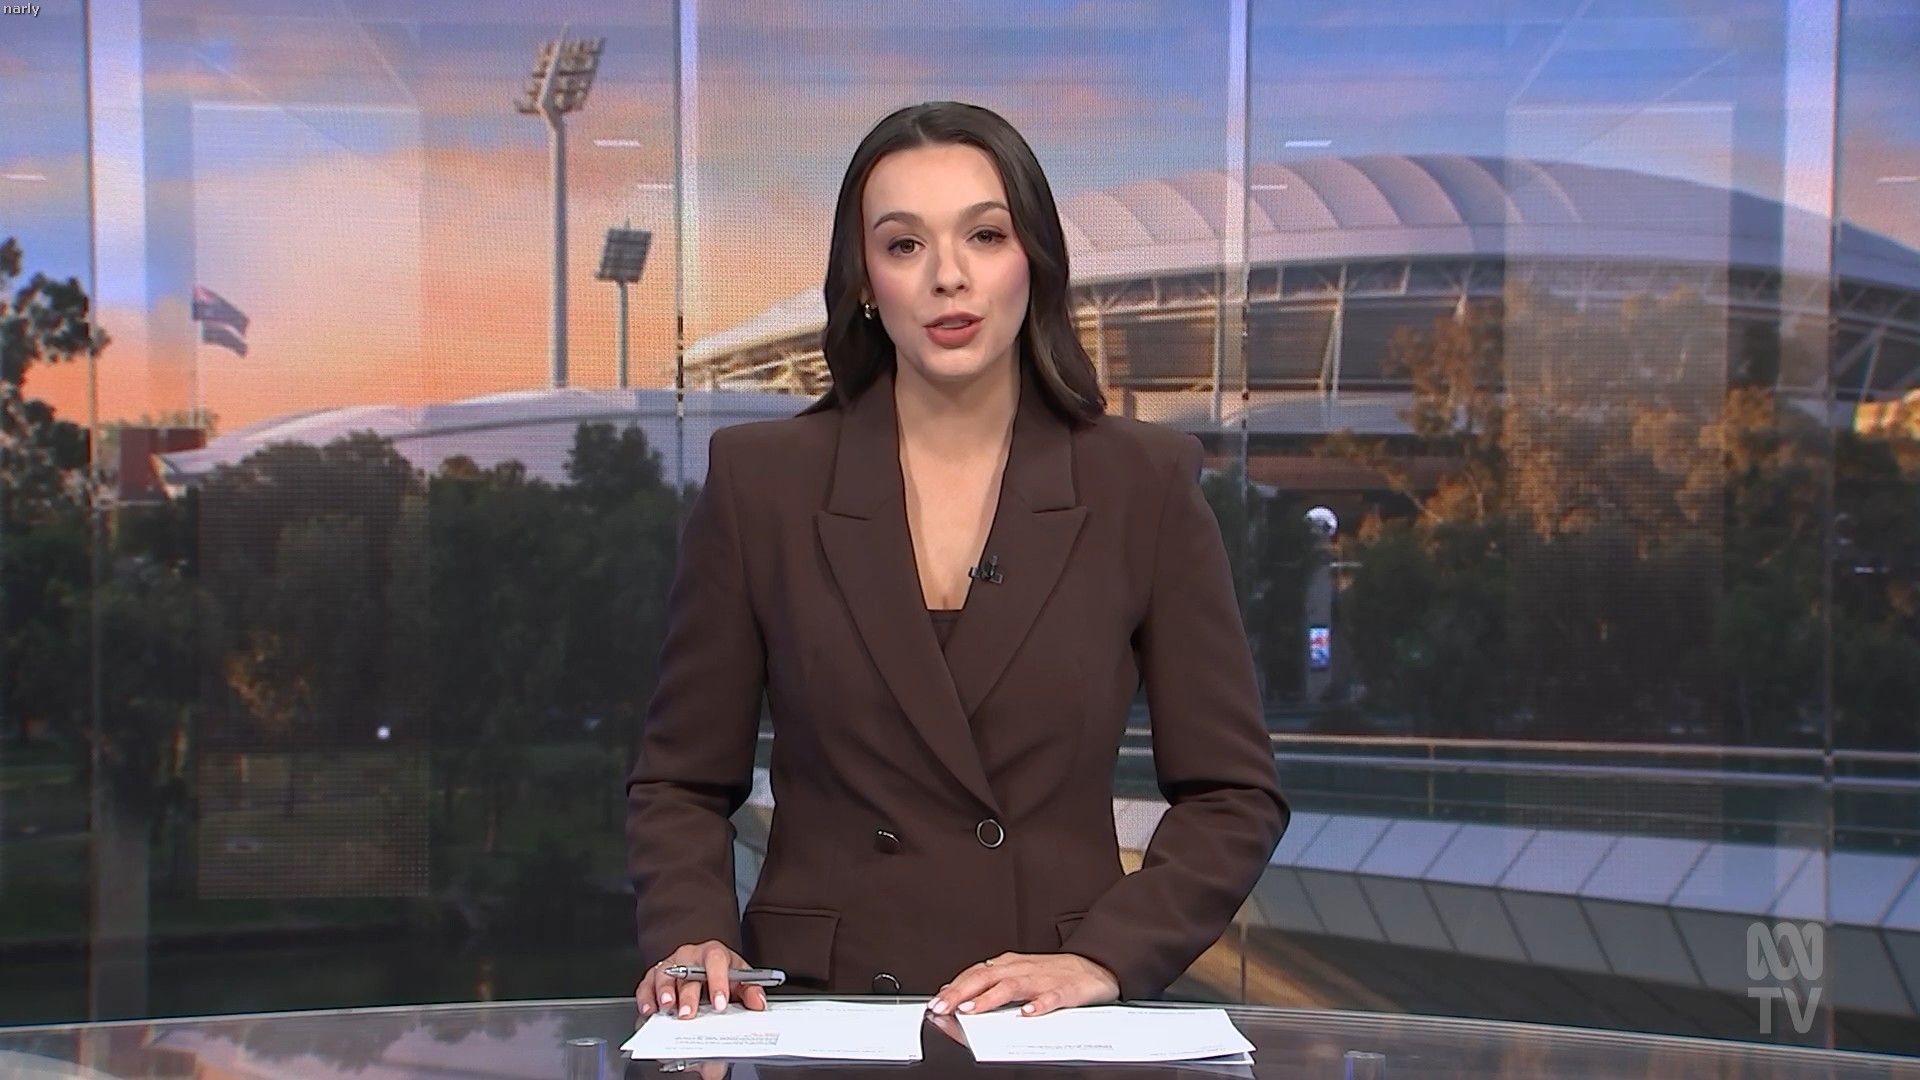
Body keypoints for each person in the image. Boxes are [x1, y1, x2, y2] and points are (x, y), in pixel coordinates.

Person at [627, 100, 1288, 1024]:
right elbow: (681, 781)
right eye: (904, 245)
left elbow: (1233, 793)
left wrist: (1105, 957)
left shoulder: (1142, 483)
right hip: (826, 1016)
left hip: (1048, 1024)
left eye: (985, 235)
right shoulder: (760, 483)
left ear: (1035, 261)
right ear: (865, 282)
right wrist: (693, 933)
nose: (948, 276)